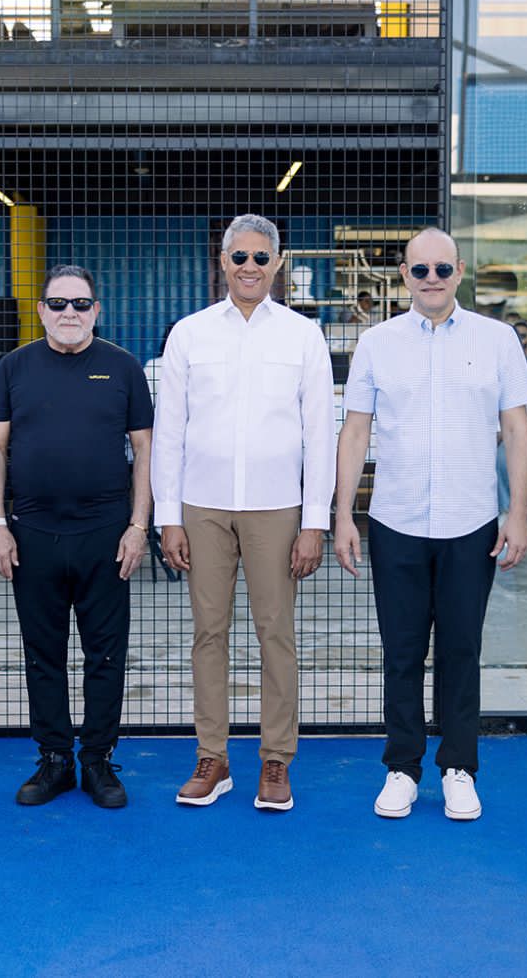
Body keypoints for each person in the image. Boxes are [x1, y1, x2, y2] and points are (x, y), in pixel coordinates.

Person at [334, 227, 527, 821]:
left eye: (442, 269)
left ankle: (458, 769)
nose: (431, 280)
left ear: (459, 271)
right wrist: (341, 514)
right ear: (403, 275)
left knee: (461, 650)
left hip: (471, 522)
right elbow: (355, 431)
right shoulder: (377, 343)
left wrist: (518, 513)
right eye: (420, 270)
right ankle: (402, 767)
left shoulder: (497, 340)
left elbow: (518, 428)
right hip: (395, 520)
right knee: (401, 652)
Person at [153, 213, 336, 812]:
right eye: (239, 257)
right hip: (202, 506)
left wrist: (315, 522)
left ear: (277, 263)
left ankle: (276, 758)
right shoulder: (189, 334)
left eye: (261, 257)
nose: (250, 267)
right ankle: (213, 757)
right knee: (208, 633)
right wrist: (168, 516)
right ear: (223, 262)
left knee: (275, 633)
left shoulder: (303, 337)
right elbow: (168, 432)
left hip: (277, 507)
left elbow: (320, 433)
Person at [0, 265, 153, 809]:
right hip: (33, 534)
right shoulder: (14, 367)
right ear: (41, 311)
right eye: (58, 304)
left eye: (80, 304)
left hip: (106, 535)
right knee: (43, 655)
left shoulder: (123, 367)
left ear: (96, 310)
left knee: (106, 655)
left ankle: (97, 759)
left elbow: (145, 450)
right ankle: (54, 758)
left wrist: (138, 526)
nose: (69, 313)